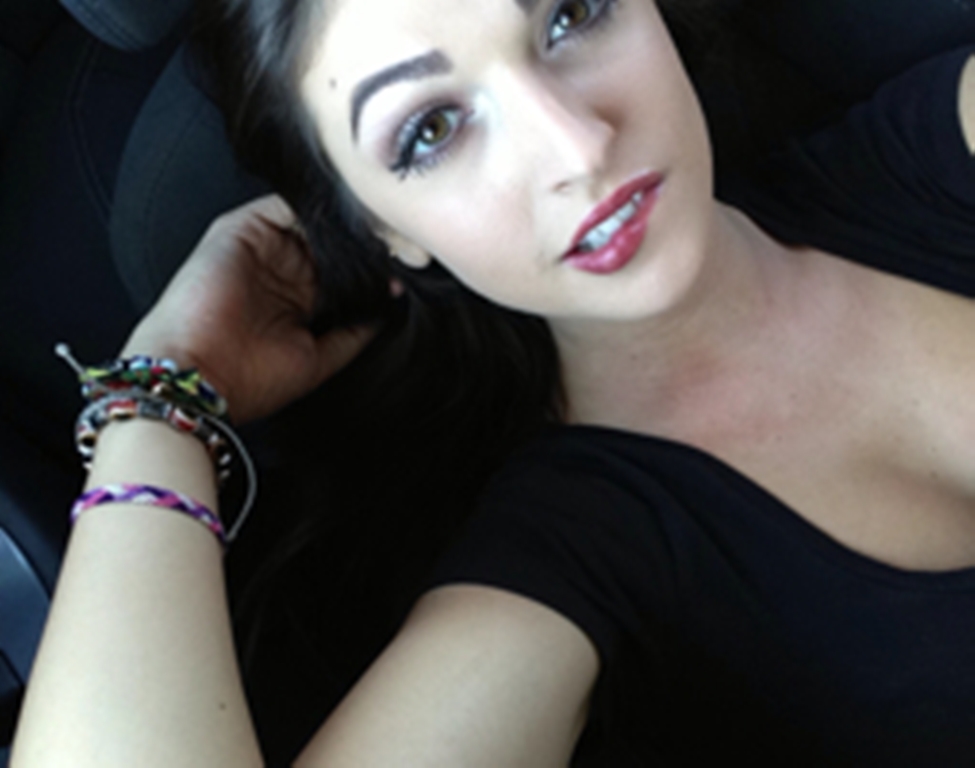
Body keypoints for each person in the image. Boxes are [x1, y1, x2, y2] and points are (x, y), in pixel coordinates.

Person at [10, 0, 975, 764]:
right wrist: (164, 395)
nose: (576, 147)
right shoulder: (561, 563)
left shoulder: (927, 149)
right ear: (385, 231)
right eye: (432, 130)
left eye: (571, 15)